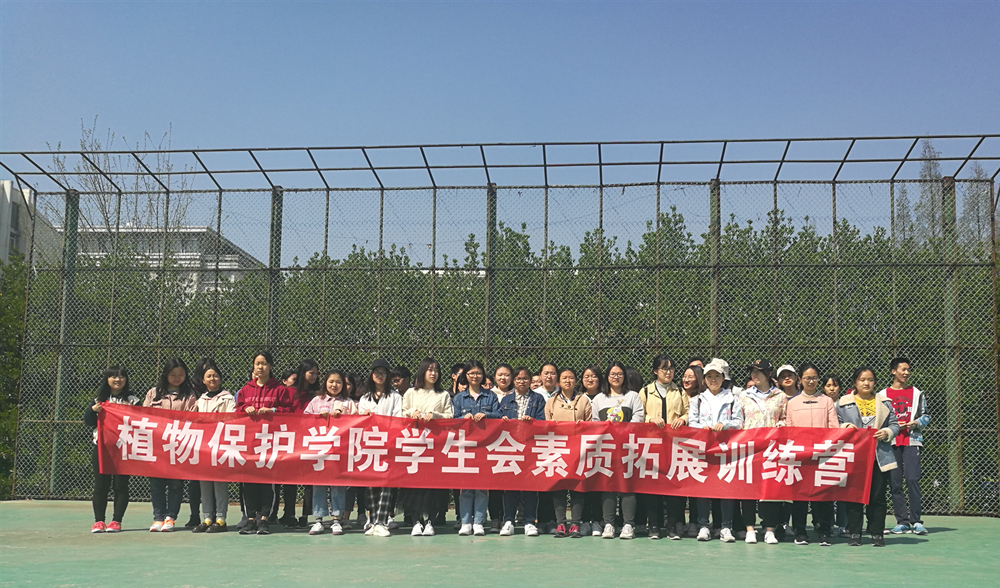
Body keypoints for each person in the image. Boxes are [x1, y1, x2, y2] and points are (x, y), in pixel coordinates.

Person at [836, 366, 900, 547]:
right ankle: (854, 533)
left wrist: (887, 432)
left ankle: (876, 533)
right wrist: (845, 428)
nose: (866, 383)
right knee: (854, 496)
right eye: (862, 380)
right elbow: (835, 423)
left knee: (877, 496)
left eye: (870, 380)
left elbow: (895, 424)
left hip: (879, 456)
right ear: (855, 382)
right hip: (854, 457)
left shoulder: (885, 402)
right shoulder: (843, 403)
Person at [235, 351, 294, 536]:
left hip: (271, 443)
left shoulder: (280, 389)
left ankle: (264, 519)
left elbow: (290, 411)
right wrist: (246, 408)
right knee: (249, 482)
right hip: (250, 443)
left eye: (264, 363)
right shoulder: (245, 389)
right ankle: (250, 519)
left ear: (271, 366)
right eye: (257, 363)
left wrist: (273, 410)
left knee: (268, 483)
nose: (260, 367)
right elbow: (237, 410)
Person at [688, 358, 744, 543]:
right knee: (704, 488)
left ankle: (726, 527)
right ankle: (703, 525)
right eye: (709, 376)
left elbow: (739, 422)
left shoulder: (732, 399)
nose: (713, 380)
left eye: (717, 376)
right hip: (704, 450)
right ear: (704, 379)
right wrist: (702, 428)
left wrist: (724, 424)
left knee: (726, 488)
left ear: (723, 378)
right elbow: (692, 422)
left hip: (725, 450)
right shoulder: (697, 400)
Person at [784, 363, 837, 546]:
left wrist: (826, 449)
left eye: (814, 378)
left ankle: (824, 532)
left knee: (823, 497)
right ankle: (800, 532)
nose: (811, 381)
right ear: (800, 379)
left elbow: (833, 428)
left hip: (822, 456)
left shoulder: (826, 401)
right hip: (801, 456)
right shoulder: (792, 403)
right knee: (799, 497)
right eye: (807, 378)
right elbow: (789, 429)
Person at [400, 358, 454, 536]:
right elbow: (401, 413)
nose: (433, 373)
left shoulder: (443, 394)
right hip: (414, 445)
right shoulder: (411, 393)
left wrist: (435, 415)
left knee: (434, 484)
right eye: (430, 370)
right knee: (414, 485)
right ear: (422, 371)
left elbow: (450, 416)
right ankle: (416, 521)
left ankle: (431, 520)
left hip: (436, 445)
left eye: (436, 370)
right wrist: (412, 413)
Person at [143, 358, 199, 532]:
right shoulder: (153, 393)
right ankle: (158, 518)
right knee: (156, 483)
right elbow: (143, 415)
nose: (177, 378)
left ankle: (171, 518)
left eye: (181, 374)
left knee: (176, 483)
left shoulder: (189, 394)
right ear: (165, 374)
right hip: (156, 445)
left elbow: (192, 417)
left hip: (178, 445)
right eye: (173, 374)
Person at [737, 358, 788, 544]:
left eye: (759, 371)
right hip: (749, 449)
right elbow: (739, 420)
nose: (754, 374)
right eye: (753, 371)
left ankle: (770, 529)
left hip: (771, 450)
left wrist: (780, 426)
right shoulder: (744, 396)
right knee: (748, 490)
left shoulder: (780, 396)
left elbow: (785, 418)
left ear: (768, 374)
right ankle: (750, 528)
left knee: (771, 490)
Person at [591, 361, 645, 539]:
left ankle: (628, 524)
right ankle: (608, 524)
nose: (616, 377)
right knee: (608, 485)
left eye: (619, 374)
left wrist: (624, 432)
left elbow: (638, 417)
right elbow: (594, 422)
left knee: (627, 485)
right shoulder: (599, 398)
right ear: (607, 377)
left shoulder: (633, 396)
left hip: (628, 447)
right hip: (607, 448)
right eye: (613, 374)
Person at [84, 365, 139, 533]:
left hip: (124, 448)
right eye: (113, 376)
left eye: (121, 376)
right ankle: (99, 521)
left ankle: (116, 521)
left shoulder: (133, 400)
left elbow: (141, 422)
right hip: (102, 448)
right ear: (107, 379)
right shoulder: (99, 400)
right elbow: (88, 421)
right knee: (101, 485)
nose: (118, 379)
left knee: (121, 485)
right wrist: (93, 411)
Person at [638, 353, 687, 540]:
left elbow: (688, 411)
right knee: (652, 487)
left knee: (674, 487)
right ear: (655, 371)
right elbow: (639, 414)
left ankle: (672, 527)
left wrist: (683, 419)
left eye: (671, 368)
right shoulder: (645, 391)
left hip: (675, 445)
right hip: (652, 445)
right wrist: (650, 419)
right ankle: (654, 526)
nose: (668, 372)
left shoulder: (679, 391)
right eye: (664, 368)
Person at [450, 360, 501, 536]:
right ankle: (465, 522)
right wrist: (463, 419)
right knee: (465, 487)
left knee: (482, 487)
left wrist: (486, 415)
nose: (475, 376)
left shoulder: (490, 396)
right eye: (471, 373)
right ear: (466, 375)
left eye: (478, 373)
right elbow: (453, 419)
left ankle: (479, 522)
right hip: (465, 447)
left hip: (485, 446)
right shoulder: (459, 398)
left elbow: (499, 415)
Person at [306, 369, 358, 536]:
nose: (334, 385)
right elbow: (303, 420)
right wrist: (317, 417)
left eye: (338, 382)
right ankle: (318, 520)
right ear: (325, 383)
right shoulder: (316, 401)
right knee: (318, 485)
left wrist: (343, 417)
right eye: (331, 381)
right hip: (320, 450)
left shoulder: (348, 402)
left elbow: (358, 422)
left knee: (338, 486)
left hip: (340, 451)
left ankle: (337, 519)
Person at [882, 357, 930, 536]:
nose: (906, 372)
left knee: (912, 479)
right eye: (903, 369)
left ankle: (916, 521)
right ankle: (902, 522)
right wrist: (890, 428)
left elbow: (926, 416)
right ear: (893, 371)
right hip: (892, 443)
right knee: (895, 483)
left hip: (912, 441)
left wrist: (915, 423)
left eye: (908, 369)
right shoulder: (882, 394)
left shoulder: (917, 393)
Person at [497, 366, 545, 537]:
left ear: (530, 380)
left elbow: (543, 420)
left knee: (530, 487)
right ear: (513, 381)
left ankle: (530, 522)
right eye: (518, 378)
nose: (522, 381)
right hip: (511, 447)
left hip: (530, 447)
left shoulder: (538, 399)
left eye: (525, 378)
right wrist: (502, 420)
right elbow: (498, 421)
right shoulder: (506, 400)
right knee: (510, 486)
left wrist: (533, 421)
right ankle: (508, 521)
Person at [544, 367, 593, 538]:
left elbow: (591, 424)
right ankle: (560, 524)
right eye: (564, 378)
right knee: (559, 486)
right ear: (559, 381)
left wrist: (582, 426)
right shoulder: (551, 401)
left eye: (571, 378)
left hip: (578, 449)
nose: (568, 381)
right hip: (558, 448)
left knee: (577, 486)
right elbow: (547, 425)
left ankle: (575, 524)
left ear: (576, 381)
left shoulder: (584, 400)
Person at [359, 358, 403, 537]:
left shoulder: (395, 397)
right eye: (377, 372)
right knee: (371, 484)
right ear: (371, 375)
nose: (380, 376)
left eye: (383, 373)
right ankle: (372, 521)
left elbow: (398, 419)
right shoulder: (364, 398)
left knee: (386, 484)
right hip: (369, 445)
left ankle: (382, 521)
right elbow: (358, 422)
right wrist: (365, 416)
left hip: (388, 445)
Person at [191, 358, 236, 533]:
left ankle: (221, 519)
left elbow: (232, 418)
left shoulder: (227, 398)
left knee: (220, 483)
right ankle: (207, 518)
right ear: (203, 380)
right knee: (205, 483)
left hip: (220, 445)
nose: (212, 379)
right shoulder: (200, 400)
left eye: (215, 375)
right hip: (203, 446)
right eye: (209, 376)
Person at [278, 359, 320, 528]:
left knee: (309, 479)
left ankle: (305, 515)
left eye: (316, 373)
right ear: (303, 373)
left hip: (310, 438)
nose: (314, 376)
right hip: (291, 439)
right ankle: (289, 513)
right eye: (311, 373)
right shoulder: (288, 391)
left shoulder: (317, 394)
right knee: (290, 478)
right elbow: (282, 410)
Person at [678, 364, 706, 538]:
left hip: (697, 447)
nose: (686, 379)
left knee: (696, 486)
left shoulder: (703, 398)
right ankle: (679, 522)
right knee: (679, 485)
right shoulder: (677, 394)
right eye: (684, 376)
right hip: (677, 447)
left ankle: (695, 521)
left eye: (690, 376)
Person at [487, 362, 515, 532]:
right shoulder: (489, 395)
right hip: (492, 443)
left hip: (513, 444)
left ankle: (509, 517)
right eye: (500, 375)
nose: (503, 378)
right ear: (494, 377)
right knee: (494, 484)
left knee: (511, 483)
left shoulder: (516, 395)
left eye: (507, 375)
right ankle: (495, 519)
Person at [578, 365, 605, 536]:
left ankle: (598, 520)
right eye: (586, 376)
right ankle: (584, 520)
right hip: (581, 448)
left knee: (599, 484)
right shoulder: (578, 398)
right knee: (583, 483)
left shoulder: (605, 397)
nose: (590, 379)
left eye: (594, 376)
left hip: (603, 447)